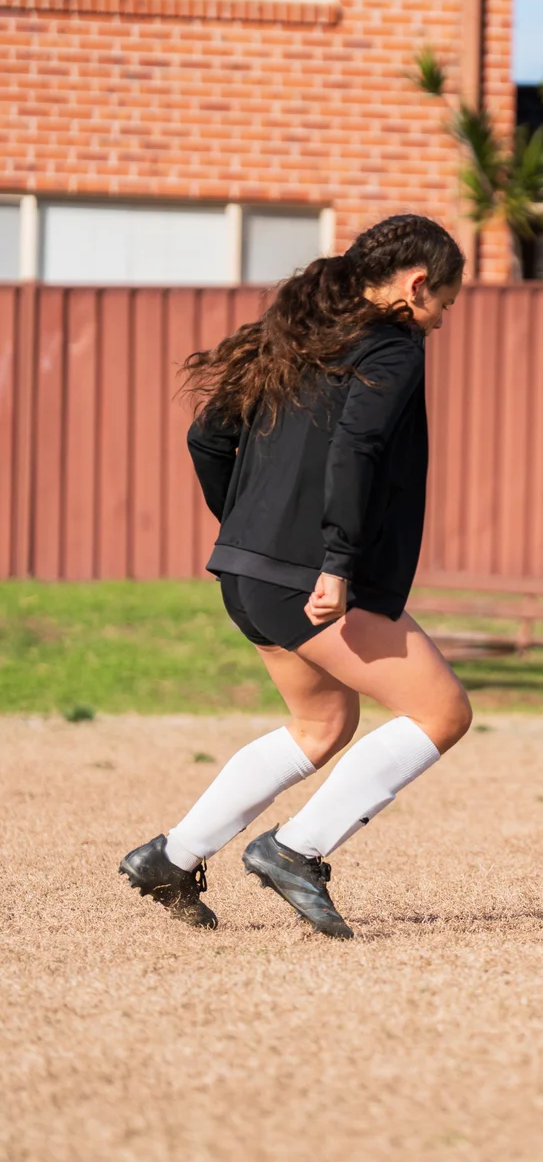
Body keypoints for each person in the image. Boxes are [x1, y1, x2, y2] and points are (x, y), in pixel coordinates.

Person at [119, 214, 472, 941]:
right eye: (446, 301)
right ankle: (294, 850)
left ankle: (173, 857)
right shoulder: (392, 345)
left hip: (246, 573)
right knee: (442, 712)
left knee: (322, 724)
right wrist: (336, 562)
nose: (442, 319)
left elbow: (207, 436)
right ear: (416, 285)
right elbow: (359, 443)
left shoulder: (303, 337)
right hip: (307, 581)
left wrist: (247, 530)